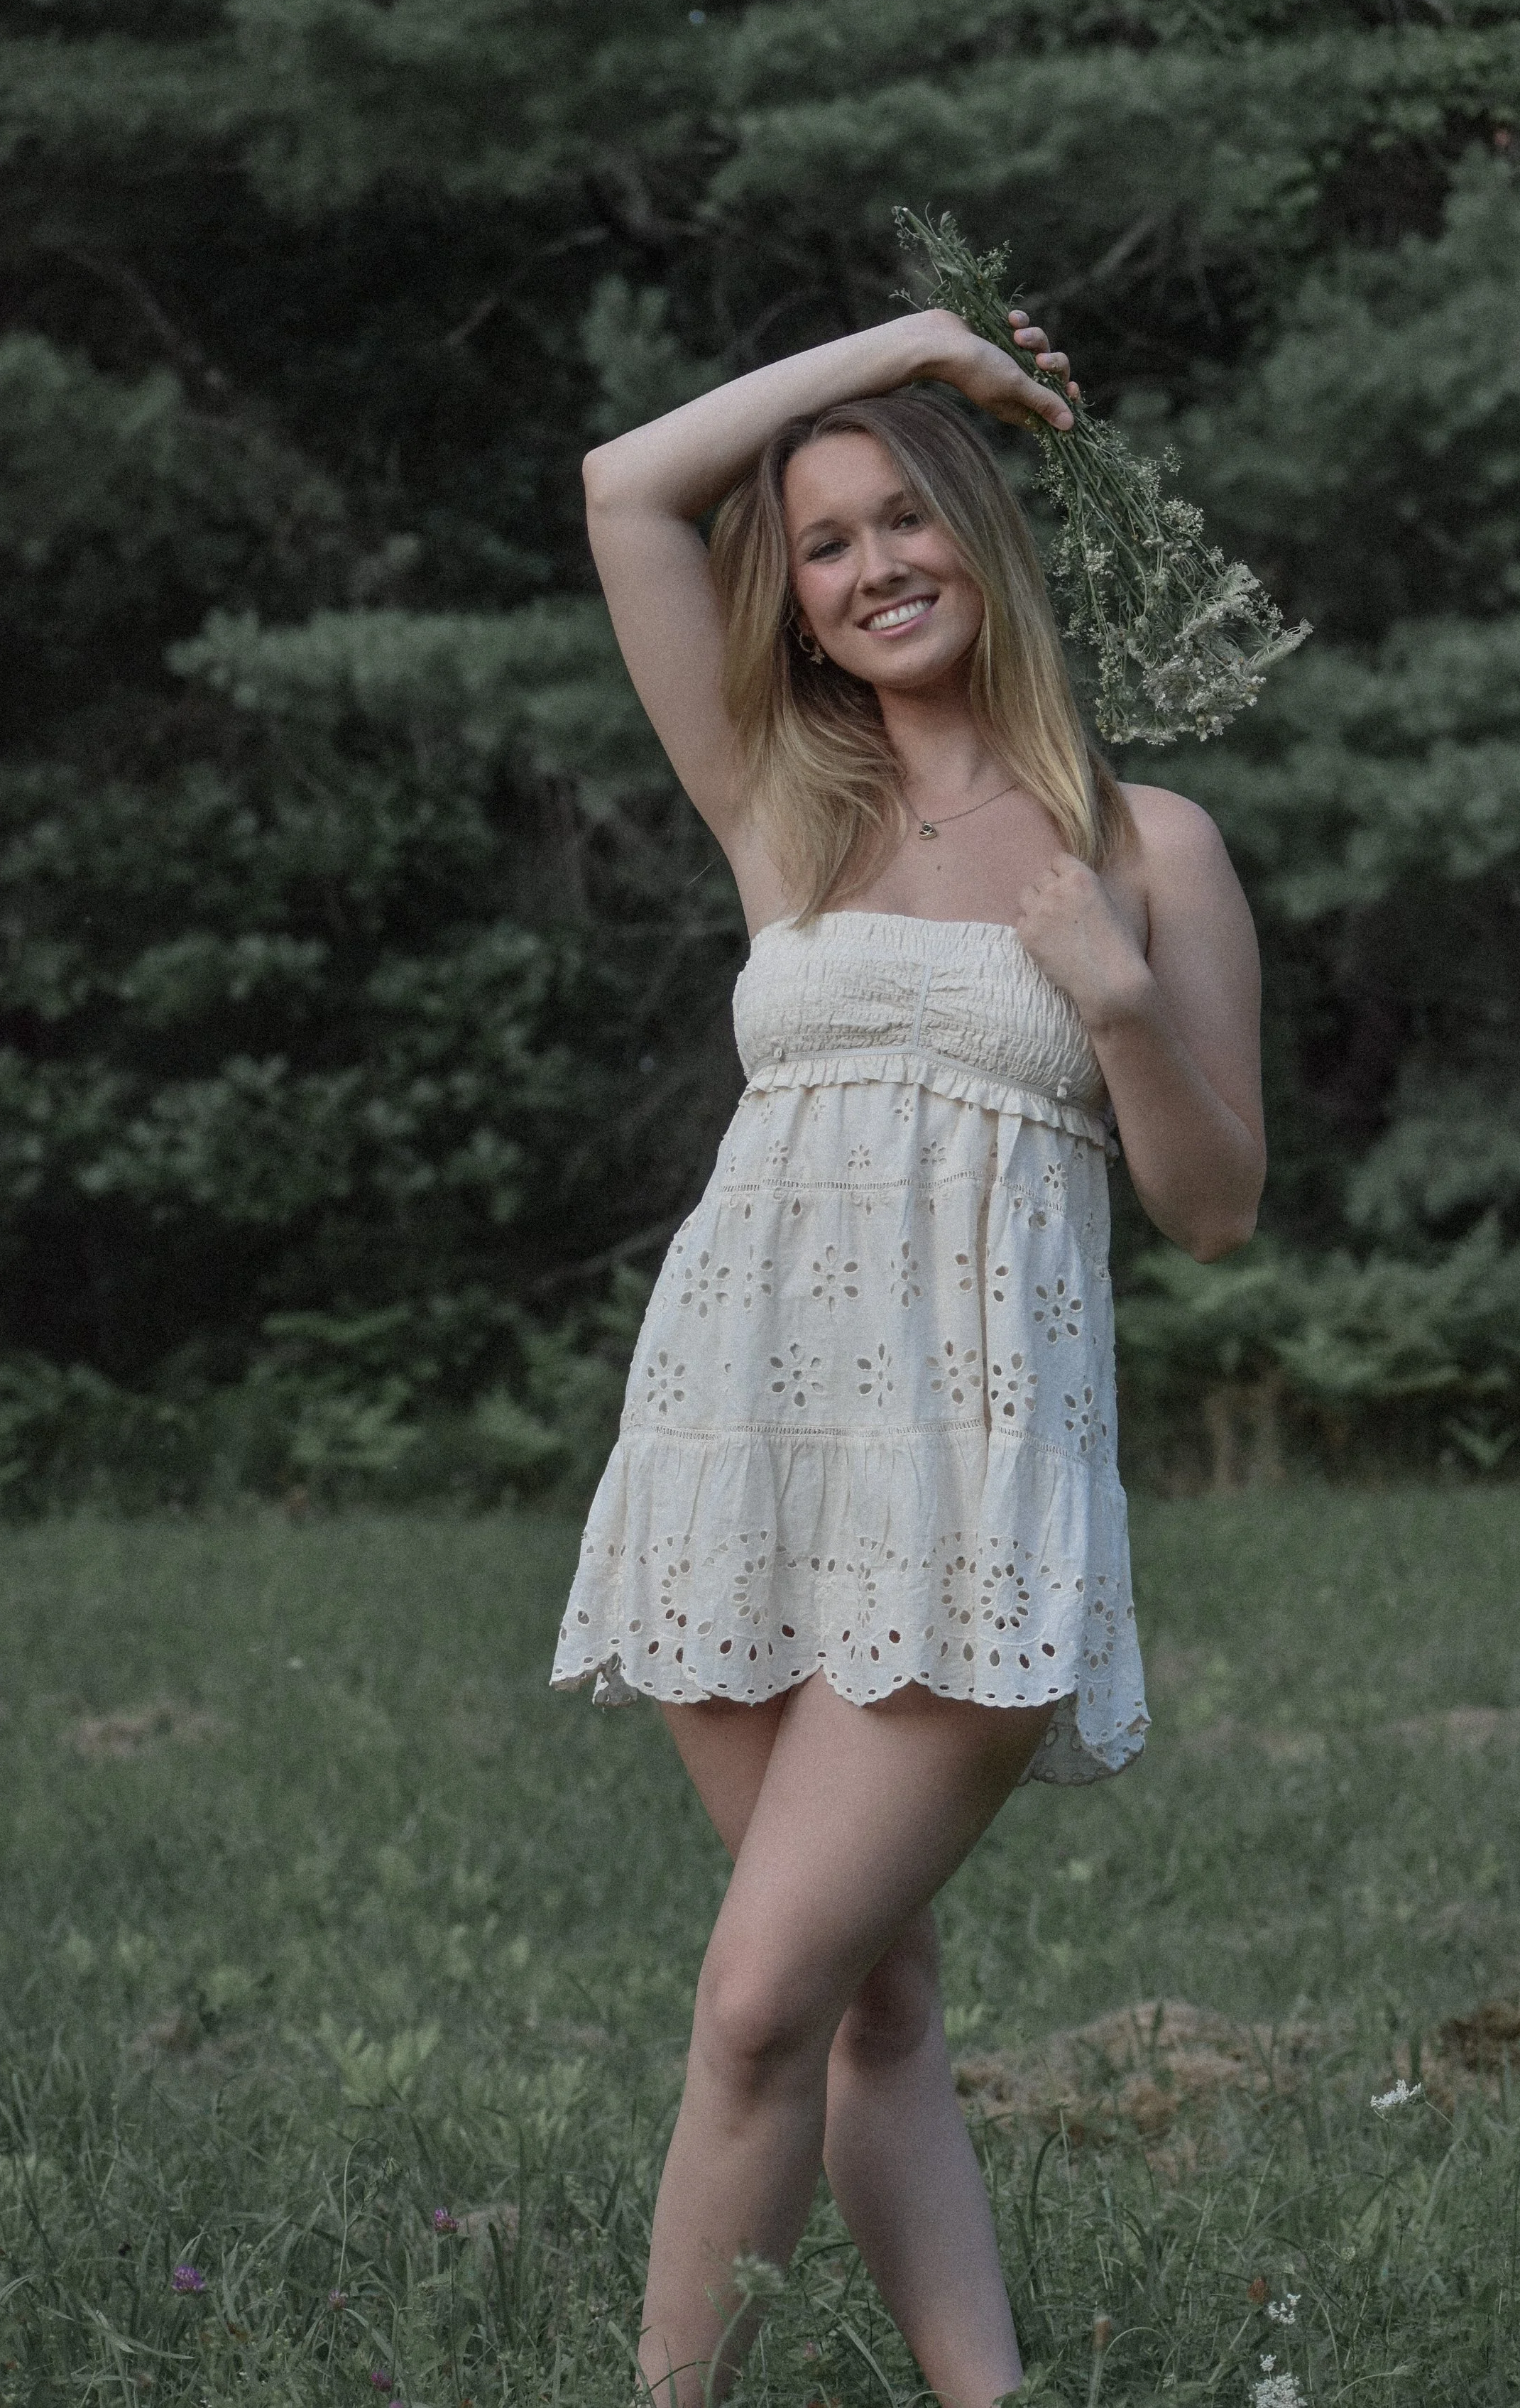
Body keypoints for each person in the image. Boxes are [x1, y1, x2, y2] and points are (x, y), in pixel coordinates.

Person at [552, 300, 1266, 2408]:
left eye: (903, 518)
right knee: (870, 2004)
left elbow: (1214, 1204)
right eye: (828, 541)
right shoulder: (784, 802)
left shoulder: (1152, 845)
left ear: (980, 537)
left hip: (967, 1479)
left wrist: (1114, 995)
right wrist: (917, 345)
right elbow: (621, 488)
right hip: (734, 1445)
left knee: (763, 1994)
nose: (871, 566)